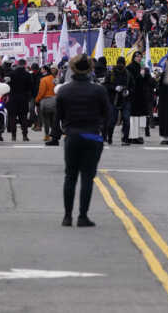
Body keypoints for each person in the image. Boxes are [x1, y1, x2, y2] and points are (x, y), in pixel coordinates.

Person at [56, 54, 111, 227]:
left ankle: (67, 216)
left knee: (70, 176)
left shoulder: (64, 90)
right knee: (87, 177)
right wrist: (102, 130)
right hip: (92, 135)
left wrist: (64, 129)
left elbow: (58, 116)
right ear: (90, 68)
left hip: (72, 134)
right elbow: (108, 114)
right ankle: (82, 215)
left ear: (72, 68)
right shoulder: (98, 90)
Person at [7, 58, 34, 141]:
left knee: (12, 117)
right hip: (23, 98)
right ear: (25, 64)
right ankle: (25, 135)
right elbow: (30, 87)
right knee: (23, 117)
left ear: (18, 64)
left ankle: (13, 136)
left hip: (12, 98)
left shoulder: (11, 74)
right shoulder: (28, 75)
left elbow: (7, 86)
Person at [36, 66, 58, 144]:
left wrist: (37, 100)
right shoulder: (57, 80)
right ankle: (54, 135)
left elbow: (41, 92)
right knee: (54, 120)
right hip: (55, 101)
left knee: (46, 120)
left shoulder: (43, 80)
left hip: (46, 101)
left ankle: (47, 135)